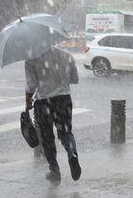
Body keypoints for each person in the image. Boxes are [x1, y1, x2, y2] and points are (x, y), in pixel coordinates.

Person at [25, 46, 81, 184]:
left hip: (44, 102)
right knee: (66, 132)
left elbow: (31, 86)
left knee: (47, 137)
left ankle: (55, 171)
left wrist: (27, 102)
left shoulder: (31, 59)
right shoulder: (66, 55)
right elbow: (75, 79)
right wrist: (59, 77)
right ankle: (72, 153)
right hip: (64, 99)